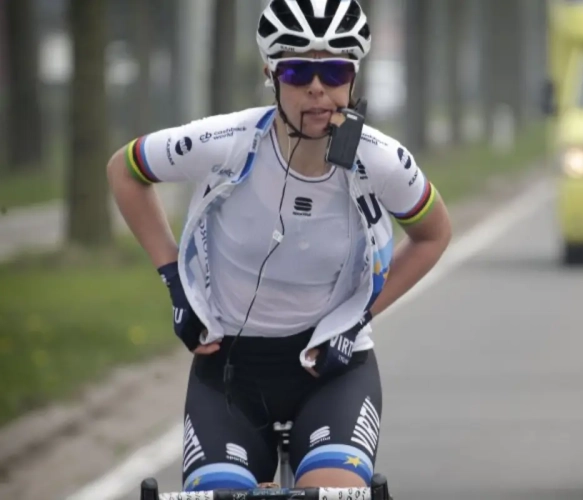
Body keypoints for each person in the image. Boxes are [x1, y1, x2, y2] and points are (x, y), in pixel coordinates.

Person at [106, 0, 452, 493]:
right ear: (272, 75)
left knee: (331, 491)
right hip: (229, 372)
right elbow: (124, 170)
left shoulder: (382, 161)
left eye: (334, 71)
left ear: (353, 79)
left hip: (334, 372)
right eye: (297, 71)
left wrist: (357, 319)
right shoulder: (225, 140)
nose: (317, 88)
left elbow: (434, 233)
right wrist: (175, 285)